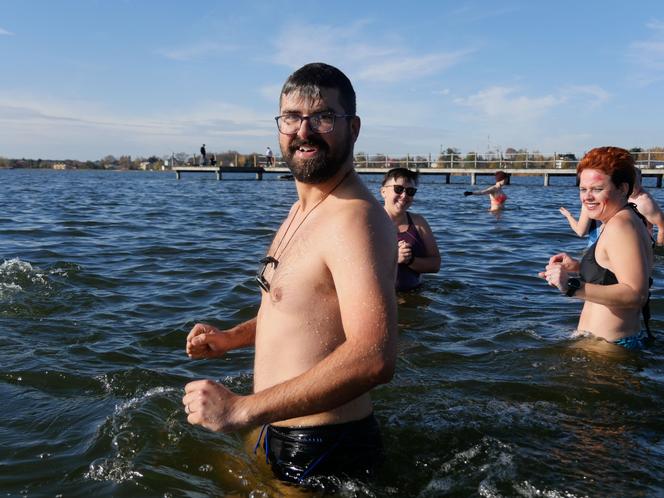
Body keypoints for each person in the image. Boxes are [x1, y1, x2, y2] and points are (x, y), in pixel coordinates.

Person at [182, 62, 398, 485]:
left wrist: (239, 409)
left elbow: (375, 356)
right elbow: (297, 312)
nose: (304, 130)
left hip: (322, 448)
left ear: (352, 128)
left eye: (322, 117)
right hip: (273, 426)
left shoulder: (354, 219)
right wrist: (232, 338)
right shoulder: (303, 209)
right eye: (292, 117)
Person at [540, 146, 654, 350]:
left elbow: (636, 295)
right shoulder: (620, 219)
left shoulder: (621, 225)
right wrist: (578, 267)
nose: (587, 197)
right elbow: (615, 273)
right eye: (583, 189)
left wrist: (572, 287)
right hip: (605, 345)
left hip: (610, 350)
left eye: (597, 189)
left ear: (622, 189)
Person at [380, 168, 440, 291]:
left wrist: (410, 260)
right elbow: (353, 267)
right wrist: (394, 258)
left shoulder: (419, 223)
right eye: (398, 189)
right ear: (383, 192)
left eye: (410, 191)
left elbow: (435, 264)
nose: (404, 196)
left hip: (415, 294)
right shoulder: (369, 222)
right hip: (383, 296)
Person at [629, 168, 664, 246]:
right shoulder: (623, 195)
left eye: (633, 181)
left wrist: (659, 246)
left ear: (640, 180)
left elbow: (662, 226)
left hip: (642, 245)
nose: (629, 184)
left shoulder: (645, 203)